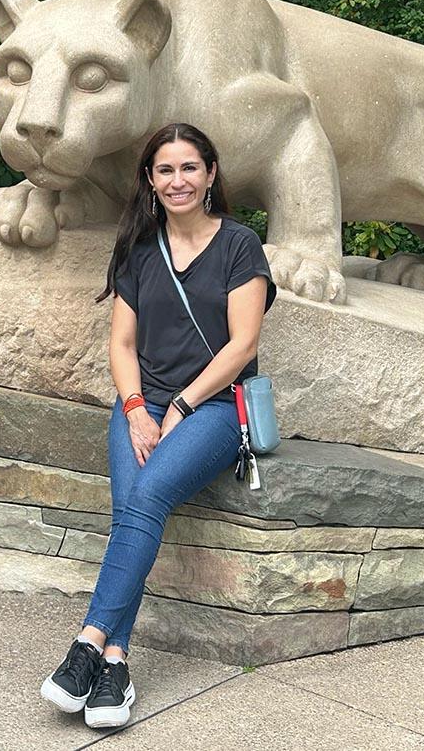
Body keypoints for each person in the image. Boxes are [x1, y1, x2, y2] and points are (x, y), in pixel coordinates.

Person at [40, 123, 275, 728]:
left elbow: (242, 344)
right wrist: (138, 407)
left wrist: (182, 406)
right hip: (142, 405)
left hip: (216, 408)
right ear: (150, 179)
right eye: (165, 170)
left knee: (143, 498)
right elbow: (121, 344)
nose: (178, 180)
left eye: (190, 168)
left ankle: (88, 642)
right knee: (135, 509)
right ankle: (115, 665)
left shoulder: (240, 245)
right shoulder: (142, 253)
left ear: (212, 174)